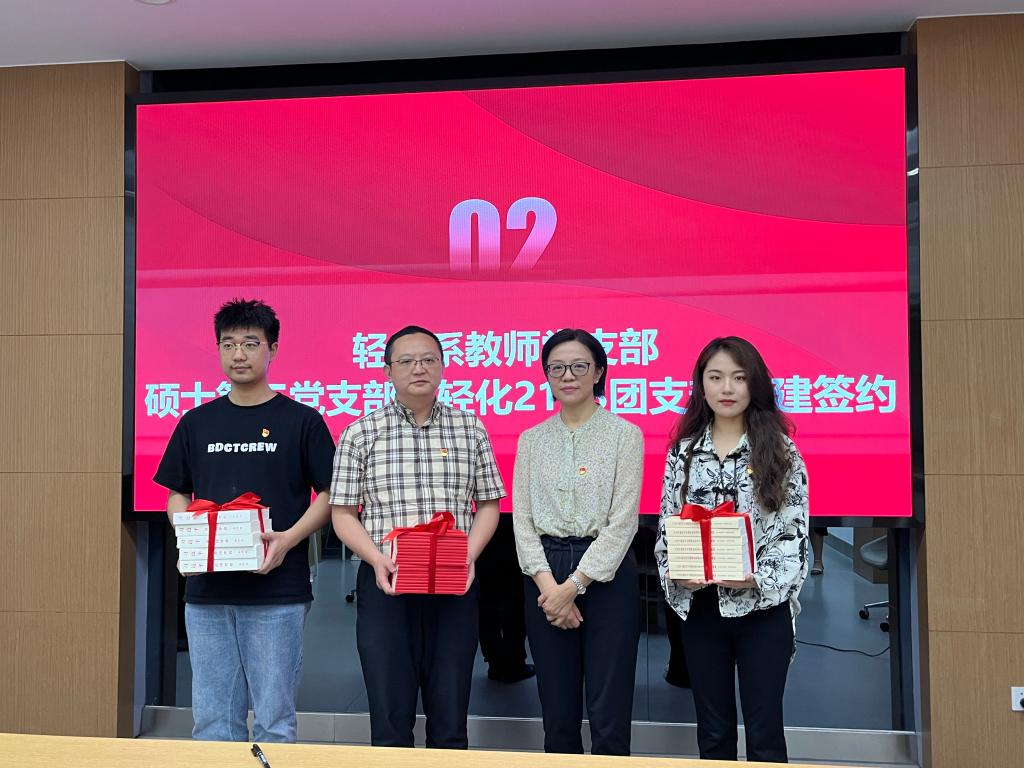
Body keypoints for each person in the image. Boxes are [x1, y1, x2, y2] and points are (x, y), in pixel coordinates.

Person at [154, 298, 336, 742]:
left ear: (272, 349)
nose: (239, 354)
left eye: (251, 343)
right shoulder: (196, 422)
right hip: (207, 594)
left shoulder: (302, 421)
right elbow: (177, 493)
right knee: (212, 721)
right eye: (228, 344)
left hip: (277, 591)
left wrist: (288, 539)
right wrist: (189, 535)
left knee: (275, 722)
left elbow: (332, 495)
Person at [330, 325, 505, 749]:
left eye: (428, 359)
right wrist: (375, 558)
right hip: (386, 584)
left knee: (450, 719)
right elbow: (342, 514)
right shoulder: (361, 432)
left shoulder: (470, 427)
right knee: (390, 719)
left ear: (443, 366)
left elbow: (489, 505)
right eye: (406, 361)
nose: (418, 368)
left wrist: (467, 556)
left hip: (453, 583)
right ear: (387, 371)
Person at [654, 336, 809, 763]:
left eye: (739, 378)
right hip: (702, 608)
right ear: (701, 385)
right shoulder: (682, 453)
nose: (727, 388)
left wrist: (753, 578)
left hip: (763, 610)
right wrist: (676, 572)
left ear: (754, 385)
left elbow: (793, 534)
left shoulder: (781, 450)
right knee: (713, 733)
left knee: (765, 733)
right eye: (716, 377)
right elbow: (667, 525)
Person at [512, 328, 643, 755]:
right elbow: (523, 523)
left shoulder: (625, 435)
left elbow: (622, 523)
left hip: (606, 574)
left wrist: (573, 587)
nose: (567, 376)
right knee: (557, 710)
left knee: (609, 709)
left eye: (579, 366)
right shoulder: (531, 440)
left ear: (598, 371)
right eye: (557, 368)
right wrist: (551, 590)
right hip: (545, 573)